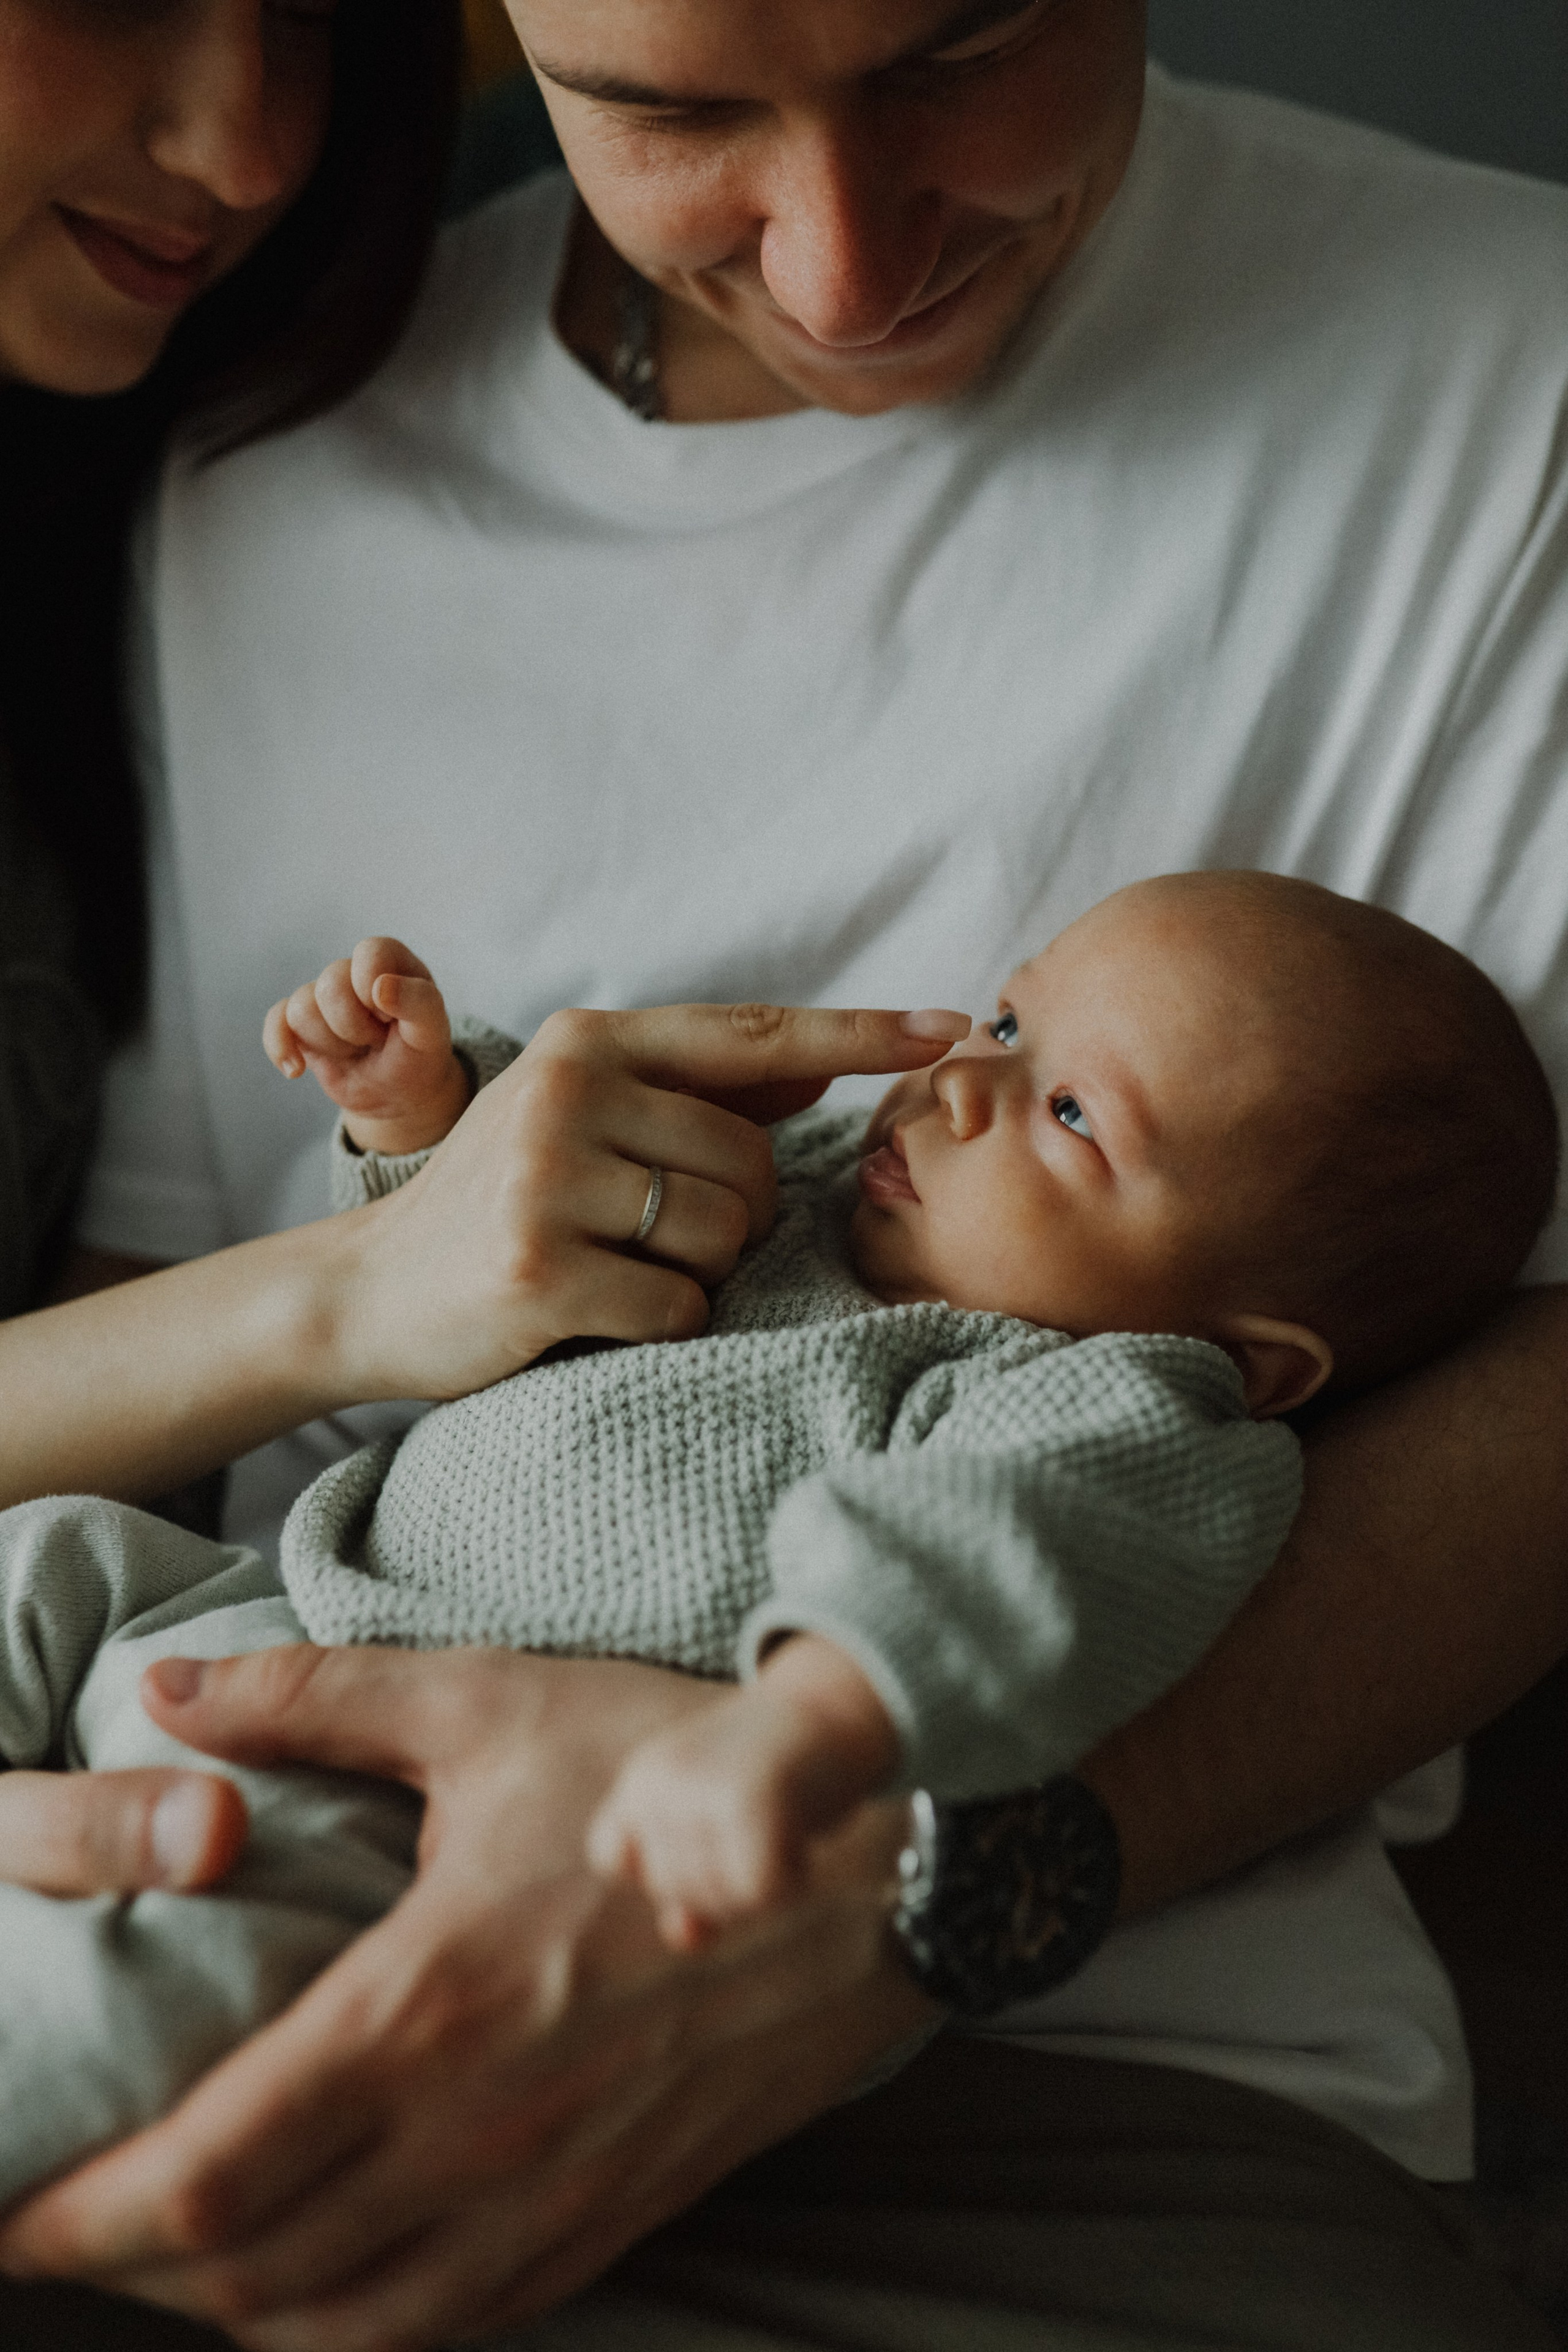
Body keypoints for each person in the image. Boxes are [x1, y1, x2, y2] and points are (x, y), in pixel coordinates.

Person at [4, 3, 1567, 2347]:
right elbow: (204, 1342)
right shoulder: (259, 464)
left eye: (970, 43)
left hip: (1090, 2088)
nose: (845, 273)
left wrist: (899, 1879)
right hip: (257, 1800)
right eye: (668, 106)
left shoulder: (1510, 379)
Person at [0, 868, 1553, 2219]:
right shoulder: (808, 1201)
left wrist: (797, 1730)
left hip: (469, 1820)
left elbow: (993, 1568)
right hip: (274, 1616)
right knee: (50, 1553)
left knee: (154, 2012)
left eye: (1072, 1118)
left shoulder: (1105, 1405)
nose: (960, 1085)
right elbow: (513, 1280)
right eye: (1009, 1025)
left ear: (1252, 1356)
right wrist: (424, 1122)